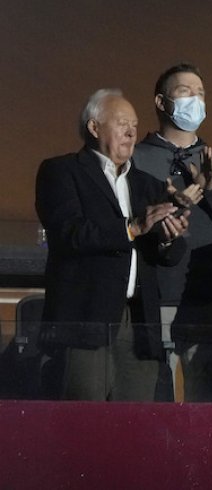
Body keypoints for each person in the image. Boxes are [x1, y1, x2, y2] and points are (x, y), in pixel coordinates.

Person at [35, 89, 190, 401]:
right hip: (86, 320)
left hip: (139, 322)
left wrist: (170, 237)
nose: (132, 132)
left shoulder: (150, 185)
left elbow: (169, 255)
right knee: (84, 425)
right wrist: (131, 227)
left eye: (134, 124)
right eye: (122, 124)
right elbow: (69, 233)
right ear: (94, 128)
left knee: (134, 428)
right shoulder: (61, 172)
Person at [132, 63, 212, 402]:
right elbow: (128, 225)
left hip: (210, 305)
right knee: (154, 415)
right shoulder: (135, 160)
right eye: (185, 92)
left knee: (206, 421)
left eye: (200, 94)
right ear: (161, 102)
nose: (195, 100)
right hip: (153, 303)